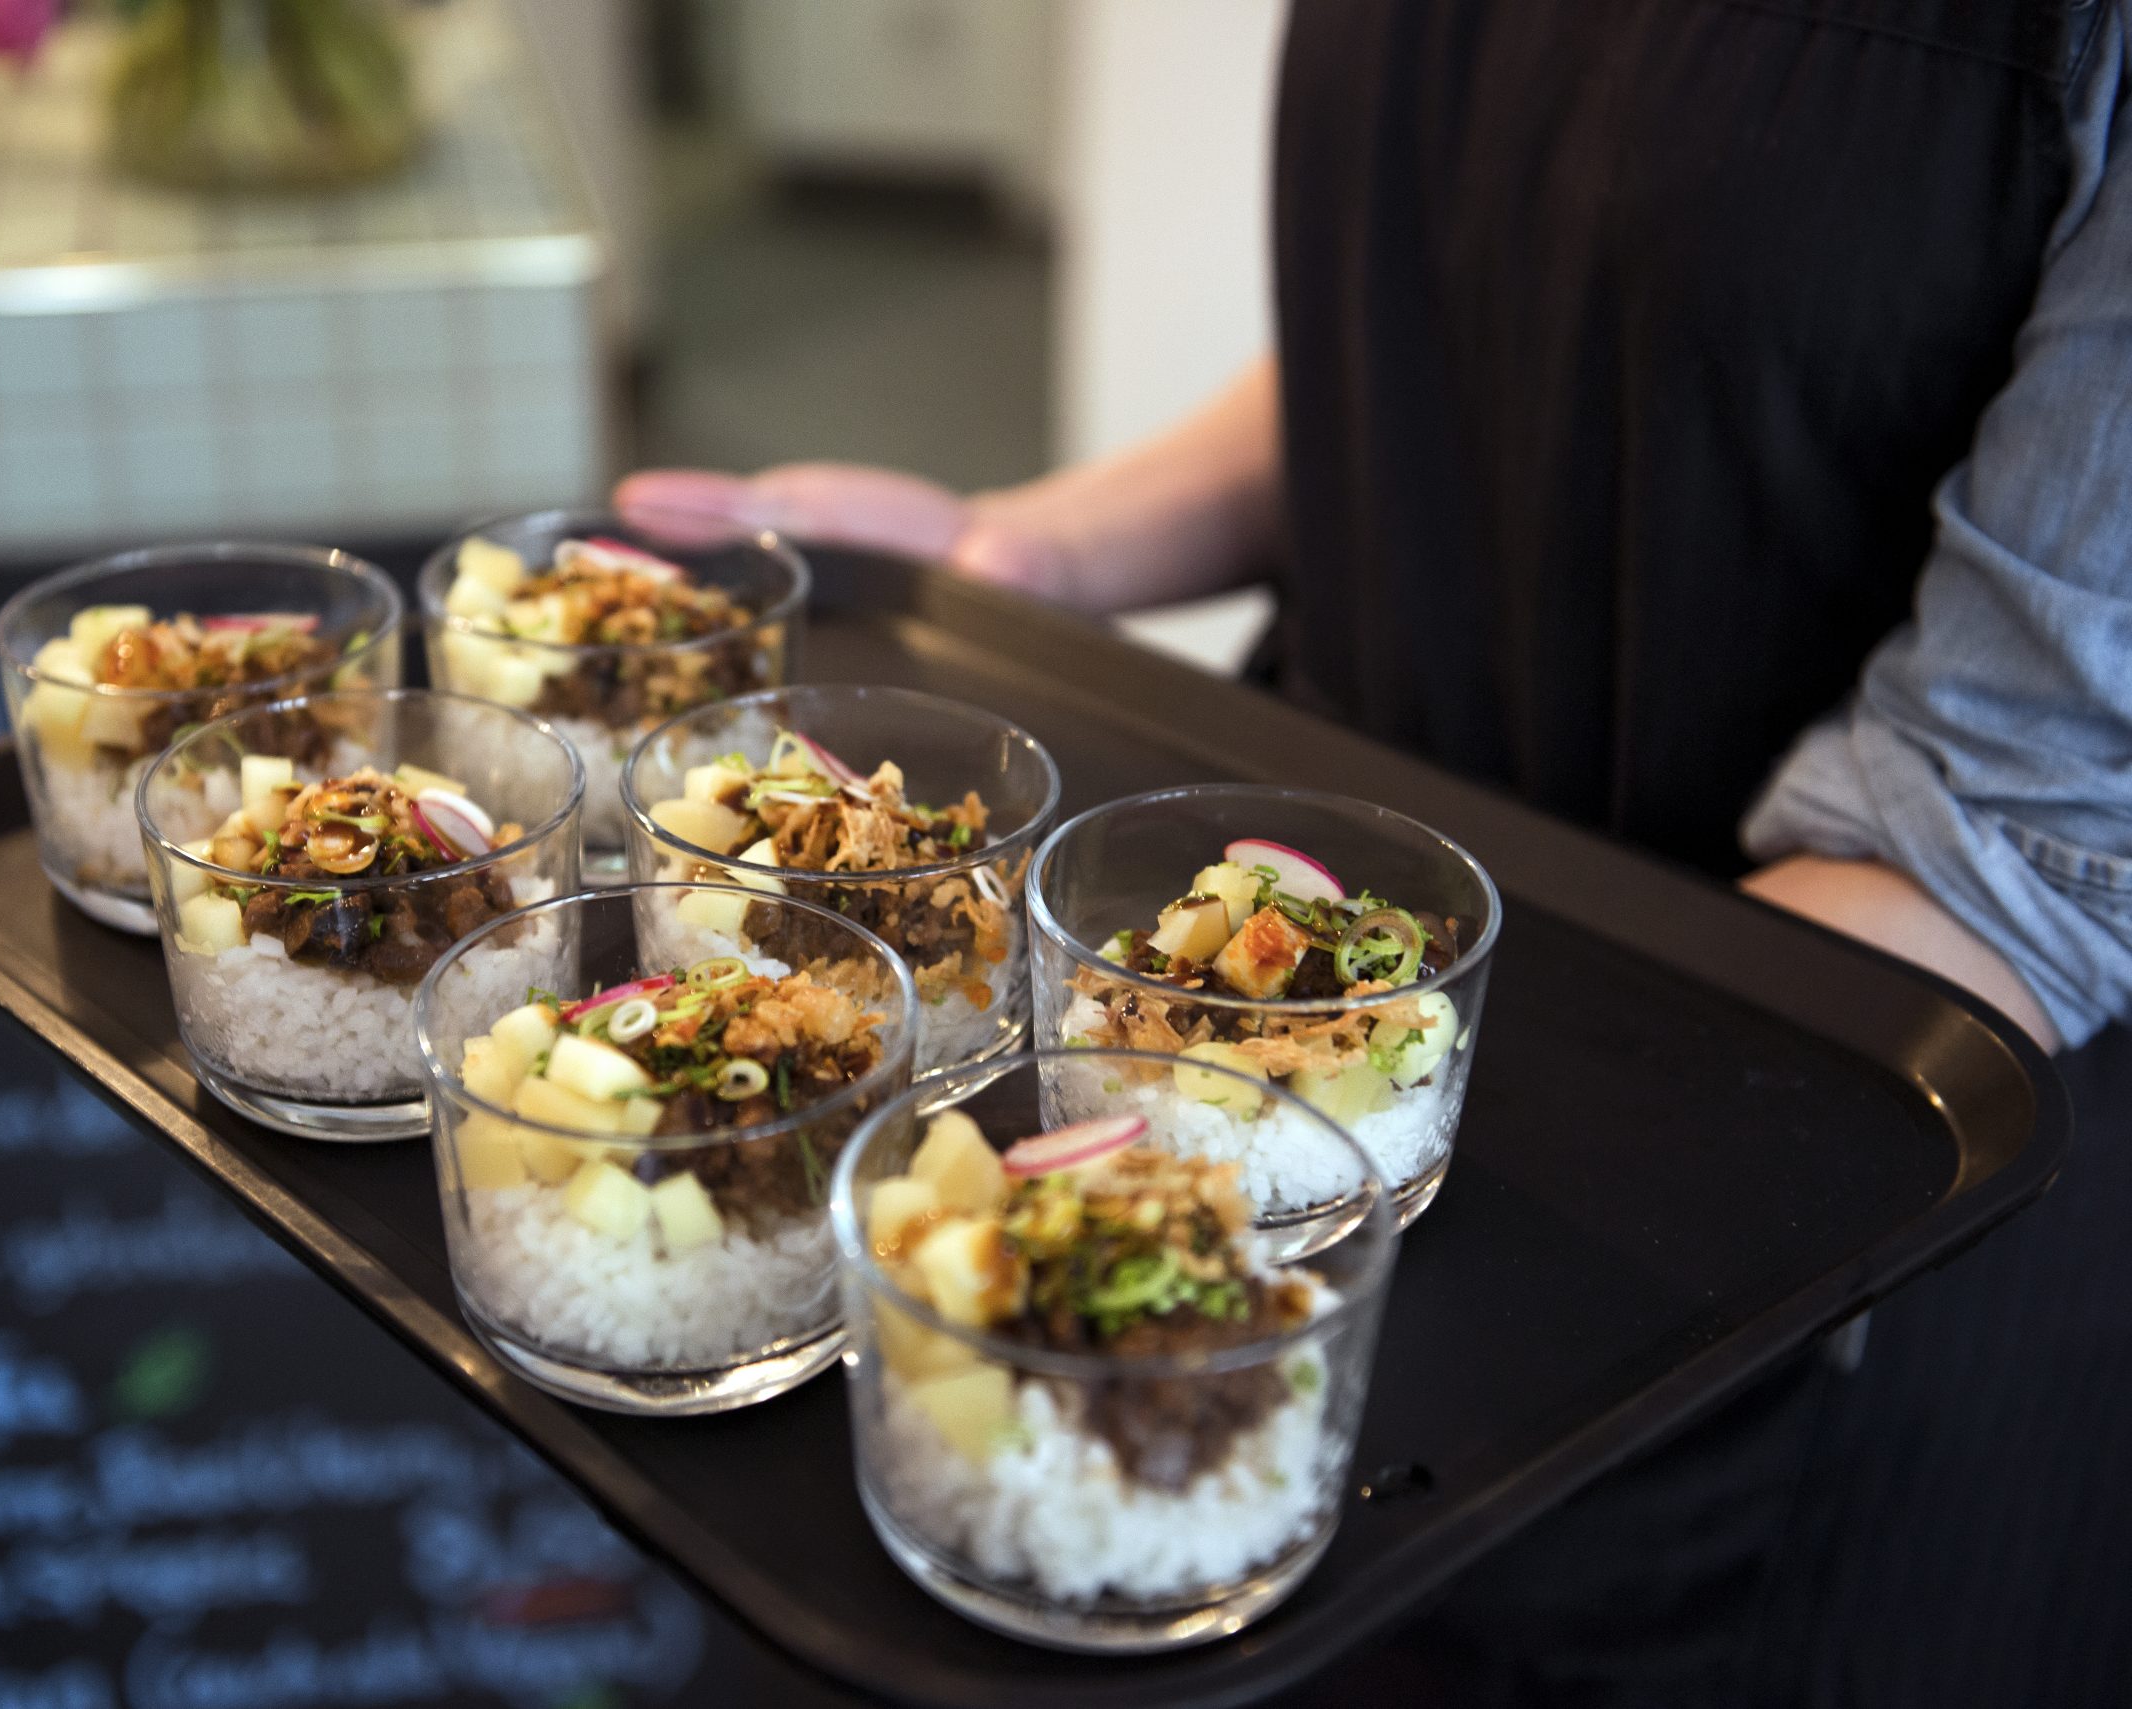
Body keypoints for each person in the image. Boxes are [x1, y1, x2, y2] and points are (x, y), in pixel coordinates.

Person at [625, 1, 2132, 1701]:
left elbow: (2024, 832)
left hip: (1744, 1188)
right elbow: (1449, 339)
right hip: (1327, 1006)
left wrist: (1386, 1074)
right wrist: (1022, 549)